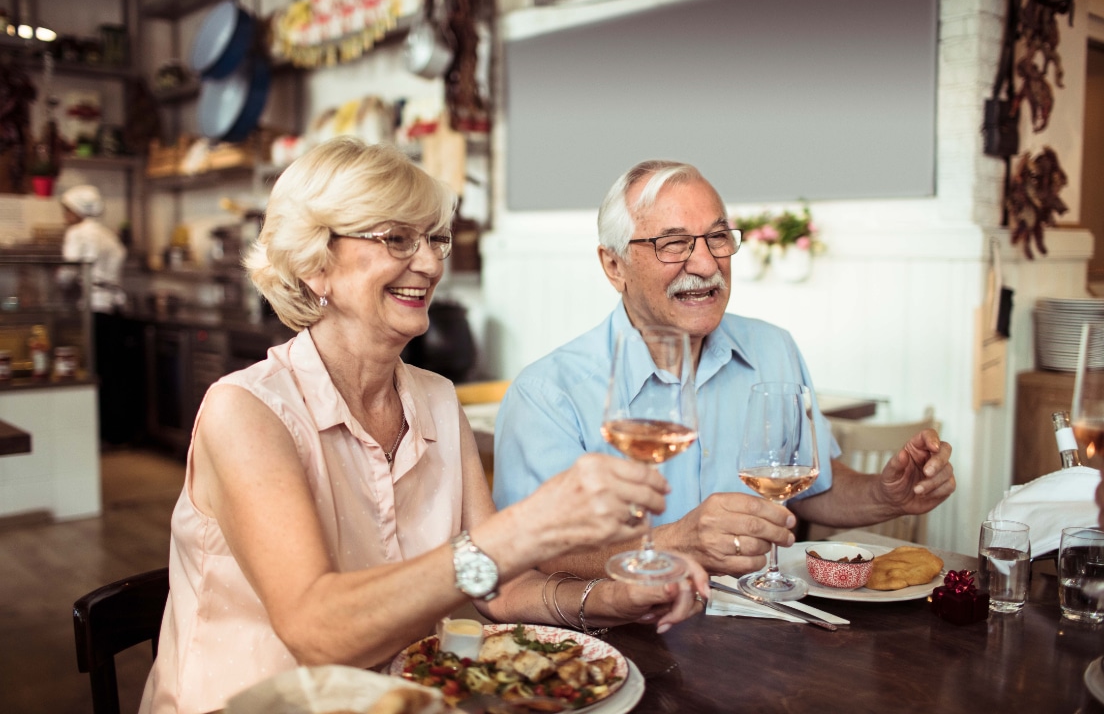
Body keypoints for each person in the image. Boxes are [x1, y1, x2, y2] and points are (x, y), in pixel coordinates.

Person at [139, 139, 708, 714]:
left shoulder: (435, 399)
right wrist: (527, 528)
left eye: (435, 239)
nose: (432, 263)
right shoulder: (246, 411)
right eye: (396, 239)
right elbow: (317, 633)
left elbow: (503, 590)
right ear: (315, 264)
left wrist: (620, 597)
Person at [493, 159, 956, 580]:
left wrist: (887, 495)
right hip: (623, 640)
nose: (706, 263)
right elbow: (536, 554)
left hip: (760, 631)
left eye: (717, 238)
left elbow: (811, 489)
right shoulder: (547, 393)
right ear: (614, 266)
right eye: (673, 244)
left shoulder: (774, 349)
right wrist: (678, 544)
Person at [58, 184, 129, 443]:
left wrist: (58, 283)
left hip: (93, 310)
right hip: (113, 308)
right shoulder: (108, 234)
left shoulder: (77, 233)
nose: (65, 217)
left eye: (67, 211)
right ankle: (116, 432)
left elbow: (68, 272)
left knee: (94, 371)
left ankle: (96, 433)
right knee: (114, 371)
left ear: (77, 211)